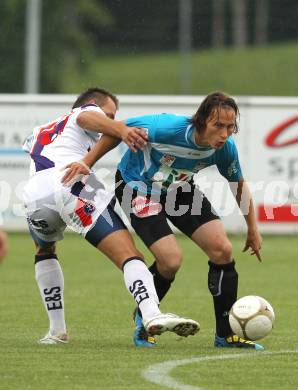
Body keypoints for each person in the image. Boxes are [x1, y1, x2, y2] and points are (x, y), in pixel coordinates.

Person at [62, 91, 264, 350]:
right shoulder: (165, 128)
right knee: (170, 261)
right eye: (218, 126)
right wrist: (87, 162)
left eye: (230, 127)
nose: (224, 134)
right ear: (201, 121)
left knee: (222, 250)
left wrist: (252, 229)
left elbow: (238, 185)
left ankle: (225, 336)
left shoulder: (225, 149)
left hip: (179, 190)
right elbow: (117, 130)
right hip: (137, 187)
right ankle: (145, 318)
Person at [22, 87, 199, 345]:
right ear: (93, 104)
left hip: (35, 195)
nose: (112, 120)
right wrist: (122, 129)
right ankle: (151, 313)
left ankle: (56, 332)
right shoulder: (84, 112)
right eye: (110, 113)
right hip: (73, 181)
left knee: (44, 251)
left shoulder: (42, 130)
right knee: (129, 255)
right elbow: (85, 117)